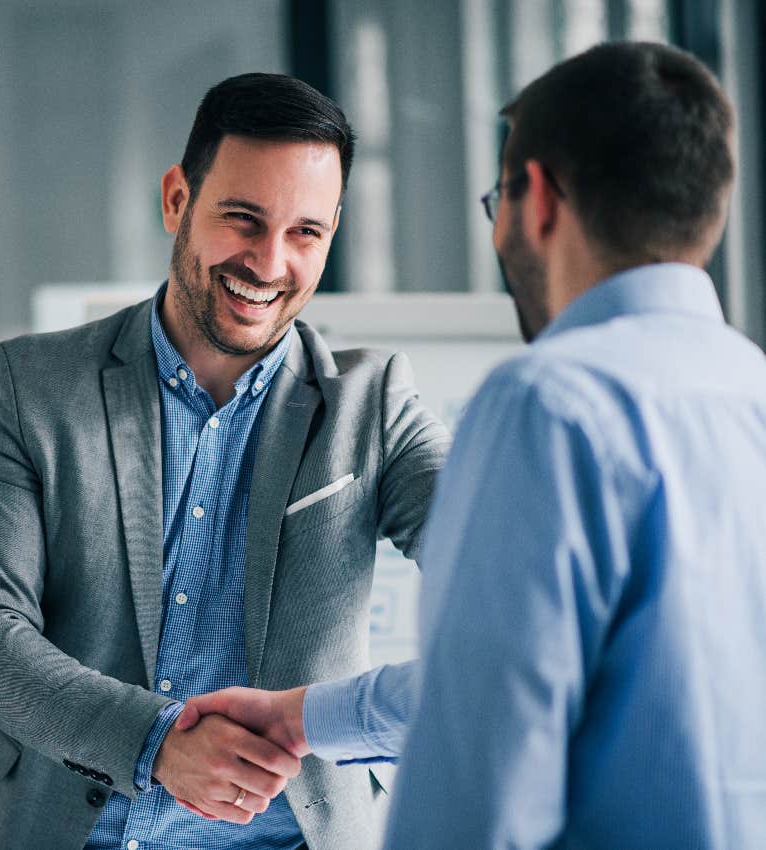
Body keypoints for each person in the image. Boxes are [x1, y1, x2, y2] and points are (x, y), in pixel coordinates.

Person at [181, 41, 766, 850]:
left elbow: (481, 758)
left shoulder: (549, 404)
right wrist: (303, 717)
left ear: (536, 200)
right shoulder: (751, 391)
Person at [0, 73, 449, 850]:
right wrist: (156, 742)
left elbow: (509, 585)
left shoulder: (374, 405)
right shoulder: (30, 386)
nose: (269, 263)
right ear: (177, 199)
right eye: (243, 219)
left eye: (306, 233)